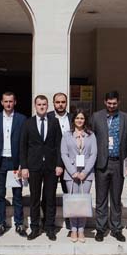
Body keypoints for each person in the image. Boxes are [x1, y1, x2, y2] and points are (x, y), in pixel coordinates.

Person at [89, 91, 127, 242]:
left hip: (118, 163)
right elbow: (90, 139)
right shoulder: (96, 117)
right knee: (101, 199)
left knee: (116, 199)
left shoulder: (126, 118)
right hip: (101, 163)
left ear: (118, 102)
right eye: (109, 103)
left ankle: (116, 229)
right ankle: (100, 229)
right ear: (105, 102)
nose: (112, 106)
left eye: (114, 103)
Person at [20, 95, 63, 241]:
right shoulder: (28, 123)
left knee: (50, 198)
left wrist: (59, 164)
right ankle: (35, 228)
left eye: (44, 104)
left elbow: (59, 144)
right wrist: (24, 167)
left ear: (47, 106)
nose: (42, 107)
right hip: (34, 166)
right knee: (34, 198)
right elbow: (23, 146)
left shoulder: (54, 122)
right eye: (39, 104)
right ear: (35, 106)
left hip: (51, 166)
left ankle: (50, 227)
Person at [0, 92, 27, 237]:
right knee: (0, 195)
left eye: (11, 101)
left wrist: (23, 164)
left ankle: (19, 224)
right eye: (6, 101)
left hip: (14, 162)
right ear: (1, 102)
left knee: (17, 194)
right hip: (1, 162)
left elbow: (23, 143)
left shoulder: (21, 119)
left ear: (15, 102)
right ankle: (1, 224)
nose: (8, 104)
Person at [60, 110, 97, 243]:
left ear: (85, 120)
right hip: (71, 174)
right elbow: (64, 154)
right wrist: (73, 172)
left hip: (86, 174)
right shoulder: (67, 135)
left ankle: (81, 230)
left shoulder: (91, 135)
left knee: (83, 202)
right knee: (73, 202)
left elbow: (93, 154)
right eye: (77, 118)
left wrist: (84, 172)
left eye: (82, 118)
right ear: (73, 120)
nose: (79, 120)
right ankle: (73, 229)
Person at [47, 92, 72, 229]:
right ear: (53, 103)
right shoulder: (47, 117)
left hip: (69, 162)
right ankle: (48, 221)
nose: (60, 105)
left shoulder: (73, 118)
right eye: (58, 102)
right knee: (49, 193)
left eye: (63, 102)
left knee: (68, 193)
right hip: (51, 162)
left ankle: (70, 220)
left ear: (66, 103)